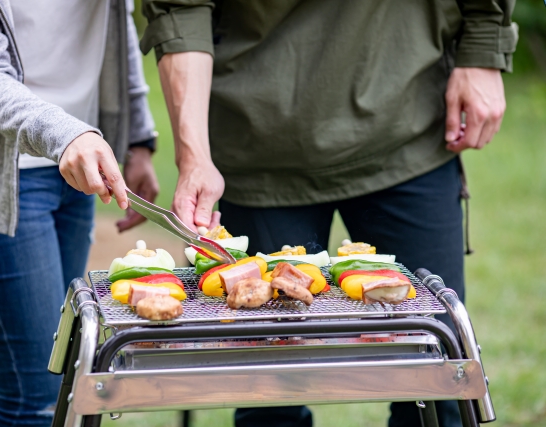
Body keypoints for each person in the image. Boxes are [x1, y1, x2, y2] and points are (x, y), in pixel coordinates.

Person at [139, 1, 517, 427]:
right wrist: (194, 159)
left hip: (408, 125)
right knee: (270, 402)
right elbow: (183, 9)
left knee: (440, 380)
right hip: (259, 138)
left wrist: (484, 50)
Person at [0, 0, 157, 426]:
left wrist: (137, 136)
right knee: (35, 397)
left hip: (80, 161)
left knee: (32, 382)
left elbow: (118, 28)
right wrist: (67, 135)